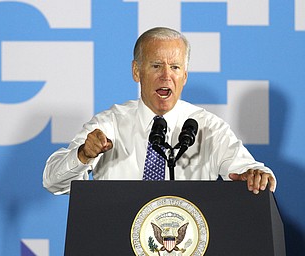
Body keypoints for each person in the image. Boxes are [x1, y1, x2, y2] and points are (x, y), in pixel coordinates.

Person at [43, 27, 276, 195]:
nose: (166, 76)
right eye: (156, 66)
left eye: (175, 67)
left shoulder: (208, 127)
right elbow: (53, 181)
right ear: (137, 71)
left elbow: (250, 170)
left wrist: (255, 176)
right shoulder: (110, 124)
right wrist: (83, 155)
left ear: (184, 76)